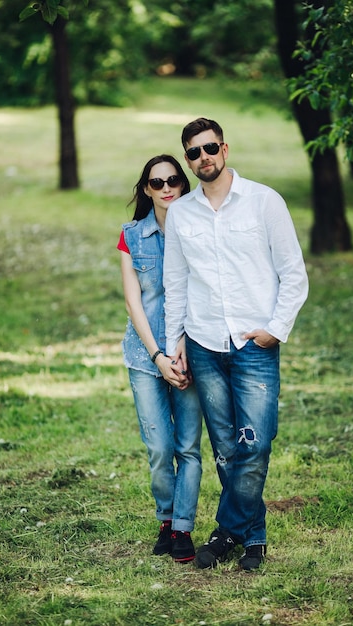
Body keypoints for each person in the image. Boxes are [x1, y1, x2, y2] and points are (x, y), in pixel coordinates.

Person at [163, 118, 308, 571]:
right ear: (188, 159)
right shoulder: (182, 213)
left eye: (209, 148)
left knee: (257, 441)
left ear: (224, 148)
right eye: (193, 152)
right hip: (204, 343)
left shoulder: (264, 202)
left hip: (254, 345)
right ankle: (254, 538)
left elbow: (294, 274)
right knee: (226, 446)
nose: (203, 157)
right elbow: (176, 282)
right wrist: (175, 343)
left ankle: (226, 531)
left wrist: (275, 328)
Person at [117, 155, 202, 563]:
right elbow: (134, 303)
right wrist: (158, 356)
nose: (166, 187)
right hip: (145, 355)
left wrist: (180, 350)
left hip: (191, 353)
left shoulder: (201, 230)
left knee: (188, 447)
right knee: (159, 447)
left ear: (183, 184)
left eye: (173, 179)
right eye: (157, 182)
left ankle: (183, 528)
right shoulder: (131, 236)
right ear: (147, 188)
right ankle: (165, 517)